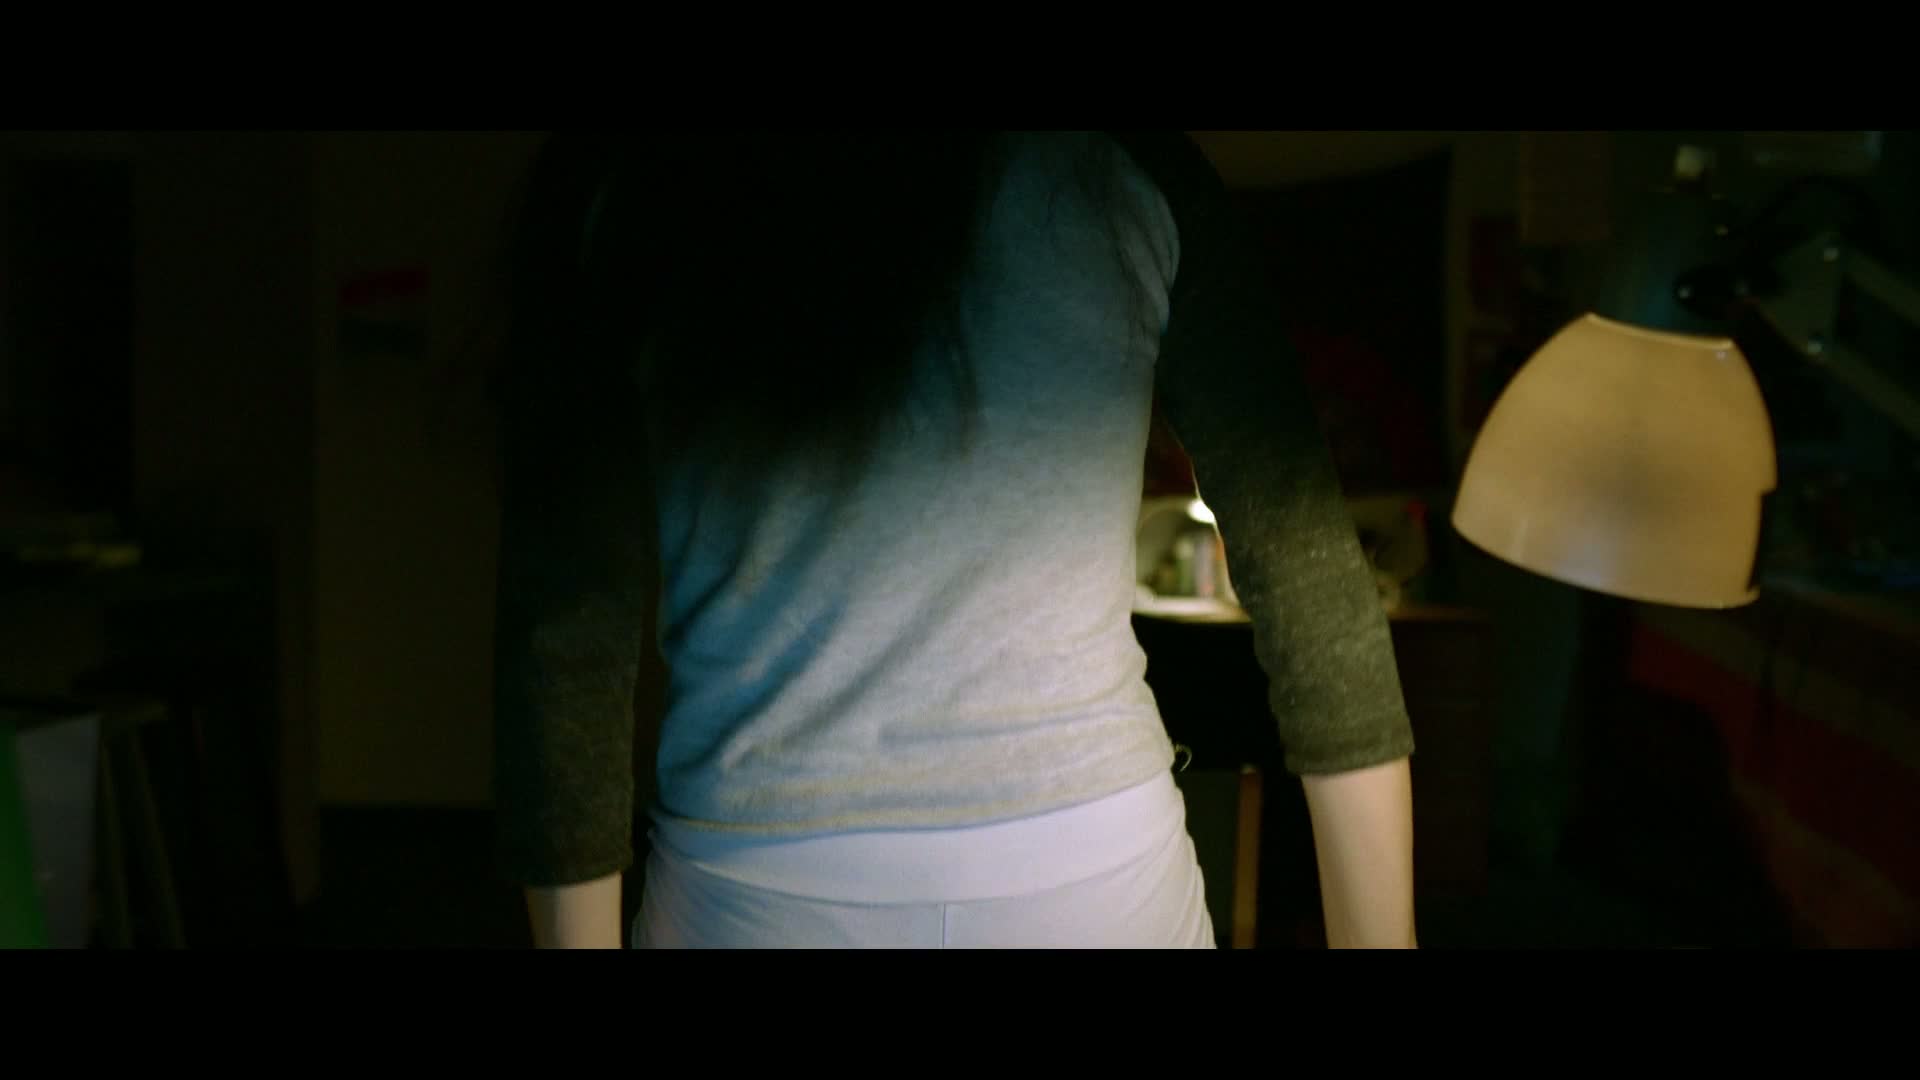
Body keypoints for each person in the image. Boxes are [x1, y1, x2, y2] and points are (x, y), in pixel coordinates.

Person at [490, 130, 1417, 949]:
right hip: (1088, 878)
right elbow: (1308, 572)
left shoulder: (631, 179)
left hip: (759, 883)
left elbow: (565, 634)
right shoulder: (1128, 163)